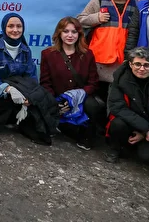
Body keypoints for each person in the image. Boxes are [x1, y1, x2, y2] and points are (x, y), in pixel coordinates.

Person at [0, 13, 57, 144]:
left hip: (19, 88)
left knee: (37, 101)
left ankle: (11, 118)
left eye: (19, 26)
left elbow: (31, 77)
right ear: (4, 28)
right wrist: (8, 89)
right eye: (10, 26)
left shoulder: (25, 50)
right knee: (9, 97)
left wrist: (30, 96)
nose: (15, 30)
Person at [40, 17, 102, 150]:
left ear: (79, 34)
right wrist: (57, 102)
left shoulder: (88, 54)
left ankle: (86, 137)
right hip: (59, 100)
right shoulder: (47, 54)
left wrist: (75, 98)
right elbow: (45, 82)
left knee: (93, 106)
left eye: (74, 32)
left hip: (81, 99)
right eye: (66, 31)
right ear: (59, 33)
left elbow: (93, 82)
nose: (70, 35)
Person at [77, 0, 138, 85]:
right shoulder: (98, 1)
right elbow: (79, 20)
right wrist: (97, 18)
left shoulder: (136, 3)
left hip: (124, 60)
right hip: (99, 60)